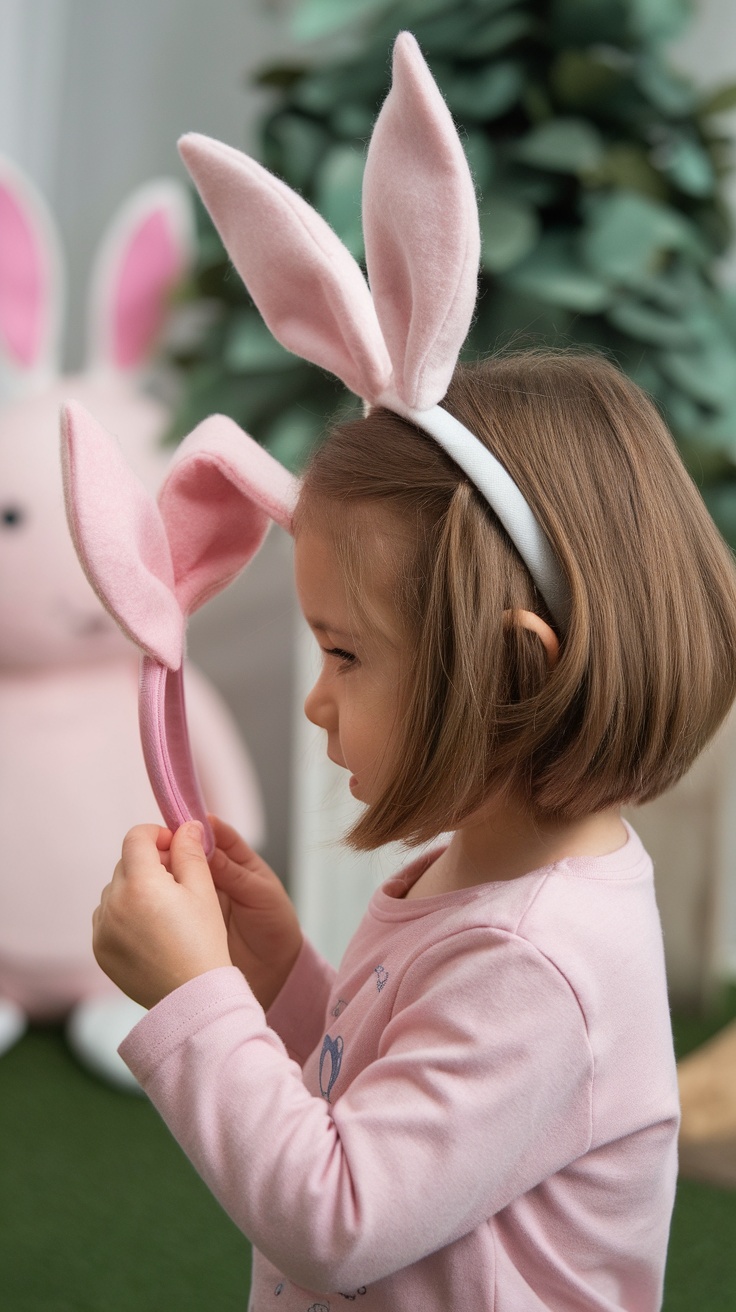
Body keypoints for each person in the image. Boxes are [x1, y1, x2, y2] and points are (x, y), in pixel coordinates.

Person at [85, 31, 736, 1312]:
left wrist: (197, 997)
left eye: (344, 653)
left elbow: (341, 1215)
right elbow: (393, 1088)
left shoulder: (537, 960)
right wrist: (282, 983)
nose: (319, 696)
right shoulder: (490, 871)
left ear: (510, 671)